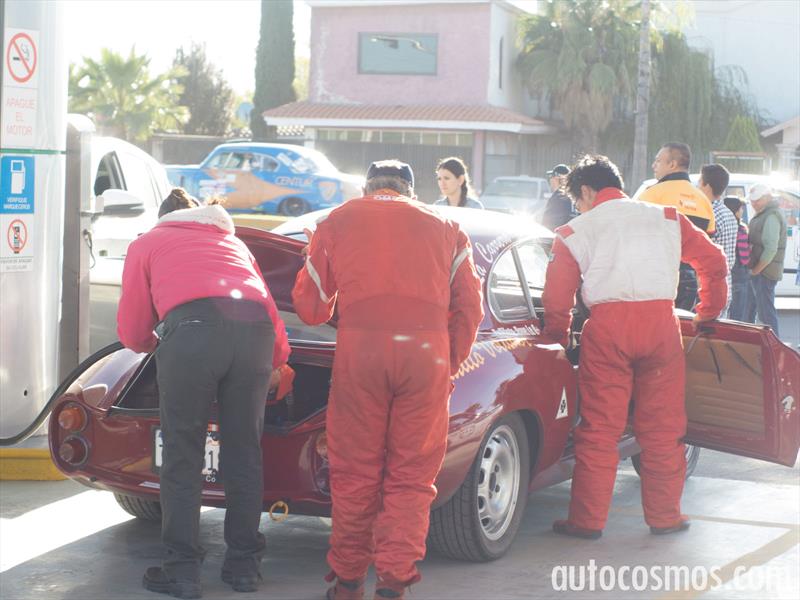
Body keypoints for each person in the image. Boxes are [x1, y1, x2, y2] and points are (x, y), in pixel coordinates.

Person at [292, 160, 483, 600]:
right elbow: (469, 310)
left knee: (355, 473)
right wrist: (447, 363)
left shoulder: (335, 222)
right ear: (410, 191)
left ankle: (347, 583)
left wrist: (312, 258)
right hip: (426, 357)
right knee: (411, 477)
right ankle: (394, 585)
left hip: (361, 356)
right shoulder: (448, 227)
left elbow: (311, 310)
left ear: (367, 187)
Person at [542, 155, 727, 539]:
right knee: (663, 427)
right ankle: (665, 517)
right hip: (661, 328)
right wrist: (706, 313)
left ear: (587, 191)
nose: (579, 207)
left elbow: (557, 301)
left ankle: (587, 521)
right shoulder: (667, 217)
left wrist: (558, 339)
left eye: (578, 200)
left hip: (607, 332)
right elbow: (714, 261)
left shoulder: (574, 231)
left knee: (600, 430)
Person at [117, 188, 290, 599]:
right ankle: (244, 567)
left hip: (193, 333)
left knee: (183, 454)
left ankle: (182, 572)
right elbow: (267, 307)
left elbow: (134, 329)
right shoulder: (232, 242)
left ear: (162, 218)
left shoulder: (148, 242)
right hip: (255, 337)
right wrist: (279, 361)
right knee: (244, 452)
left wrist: (155, 342)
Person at [639, 142, 716, 311]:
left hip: (654, 278)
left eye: (658, 161)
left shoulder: (650, 194)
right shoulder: (704, 201)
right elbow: (707, 245)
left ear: (672, 164)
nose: (653, 165)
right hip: (690, 281)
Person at [746, 183, 787, 335]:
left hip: (764, 272)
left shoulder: (771, 215)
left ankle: (774, 346)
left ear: (768, 197)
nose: (753, 203)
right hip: (762, 270)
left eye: (757, 199)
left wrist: (756, 270)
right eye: (752, 200)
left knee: (766, 315)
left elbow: (771, 249)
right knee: (759, 312)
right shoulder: (764, 213)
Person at [698, 164, 737, 315]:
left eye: (699, 182)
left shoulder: (707, 214)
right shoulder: (728, 213)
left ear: (706, 186)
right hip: (726, 284)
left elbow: (702, 254)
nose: (697, 186)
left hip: (709, 287)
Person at [723, 196, 753, 322]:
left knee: (723, 312)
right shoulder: (740, 229)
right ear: (734, 210)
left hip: (725, 272)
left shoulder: (722, 225)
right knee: (737, 315)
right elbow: (744, 255)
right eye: (741, 208)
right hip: (739, 273)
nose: (742, 211)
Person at [540, 163, 575, 230]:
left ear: (557, 178)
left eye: (551, 177)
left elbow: (548, 222)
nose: (550, 179)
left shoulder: (559, 196)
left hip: (559, 233)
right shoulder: (574, 195)